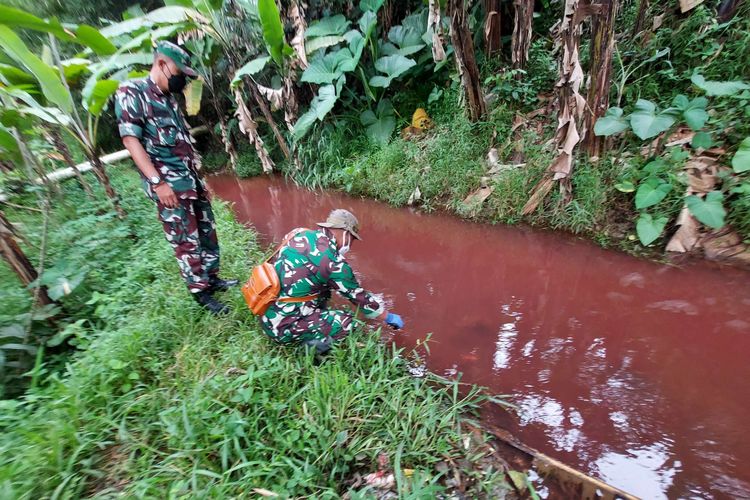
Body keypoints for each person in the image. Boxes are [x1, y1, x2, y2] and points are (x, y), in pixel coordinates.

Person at [114, 41, 237, 314]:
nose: (183, 78)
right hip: (169, 186)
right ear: (161, 64)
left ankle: (212, 278)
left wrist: (200, 179)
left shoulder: (169, 99)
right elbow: (131, 141)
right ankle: (201, 293)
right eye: (180, 71)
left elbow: (182, 142)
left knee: (206, 233)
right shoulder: (132, 92)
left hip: (190, 180)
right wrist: (158, 183)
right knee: (185, 239)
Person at [260, 209, 404, 354]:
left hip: (265, 310)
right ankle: (310, 350)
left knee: (321, 293)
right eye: (352, 239)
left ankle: (304, 325)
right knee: (347, 322)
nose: (350, 245)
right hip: (281, 327)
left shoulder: (298, 233)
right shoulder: (333, 261)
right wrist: (387, 316)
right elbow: (359, 298)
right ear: (345, 232)